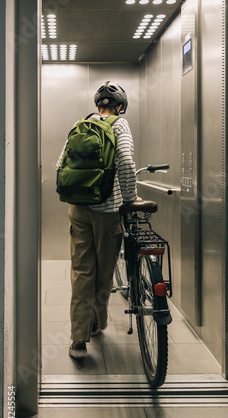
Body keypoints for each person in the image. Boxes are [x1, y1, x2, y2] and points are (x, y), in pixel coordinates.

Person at [57, 81, 141, 359]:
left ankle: (78, 340)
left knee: (82, 270)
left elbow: (60, 165)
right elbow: (127, 163)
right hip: (107, 212)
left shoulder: (80, 123)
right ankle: (97, 321)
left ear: (97, 106)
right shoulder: (119, 125)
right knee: (104, 272)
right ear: (120, 107)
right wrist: (130, 197)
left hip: (77, 208)